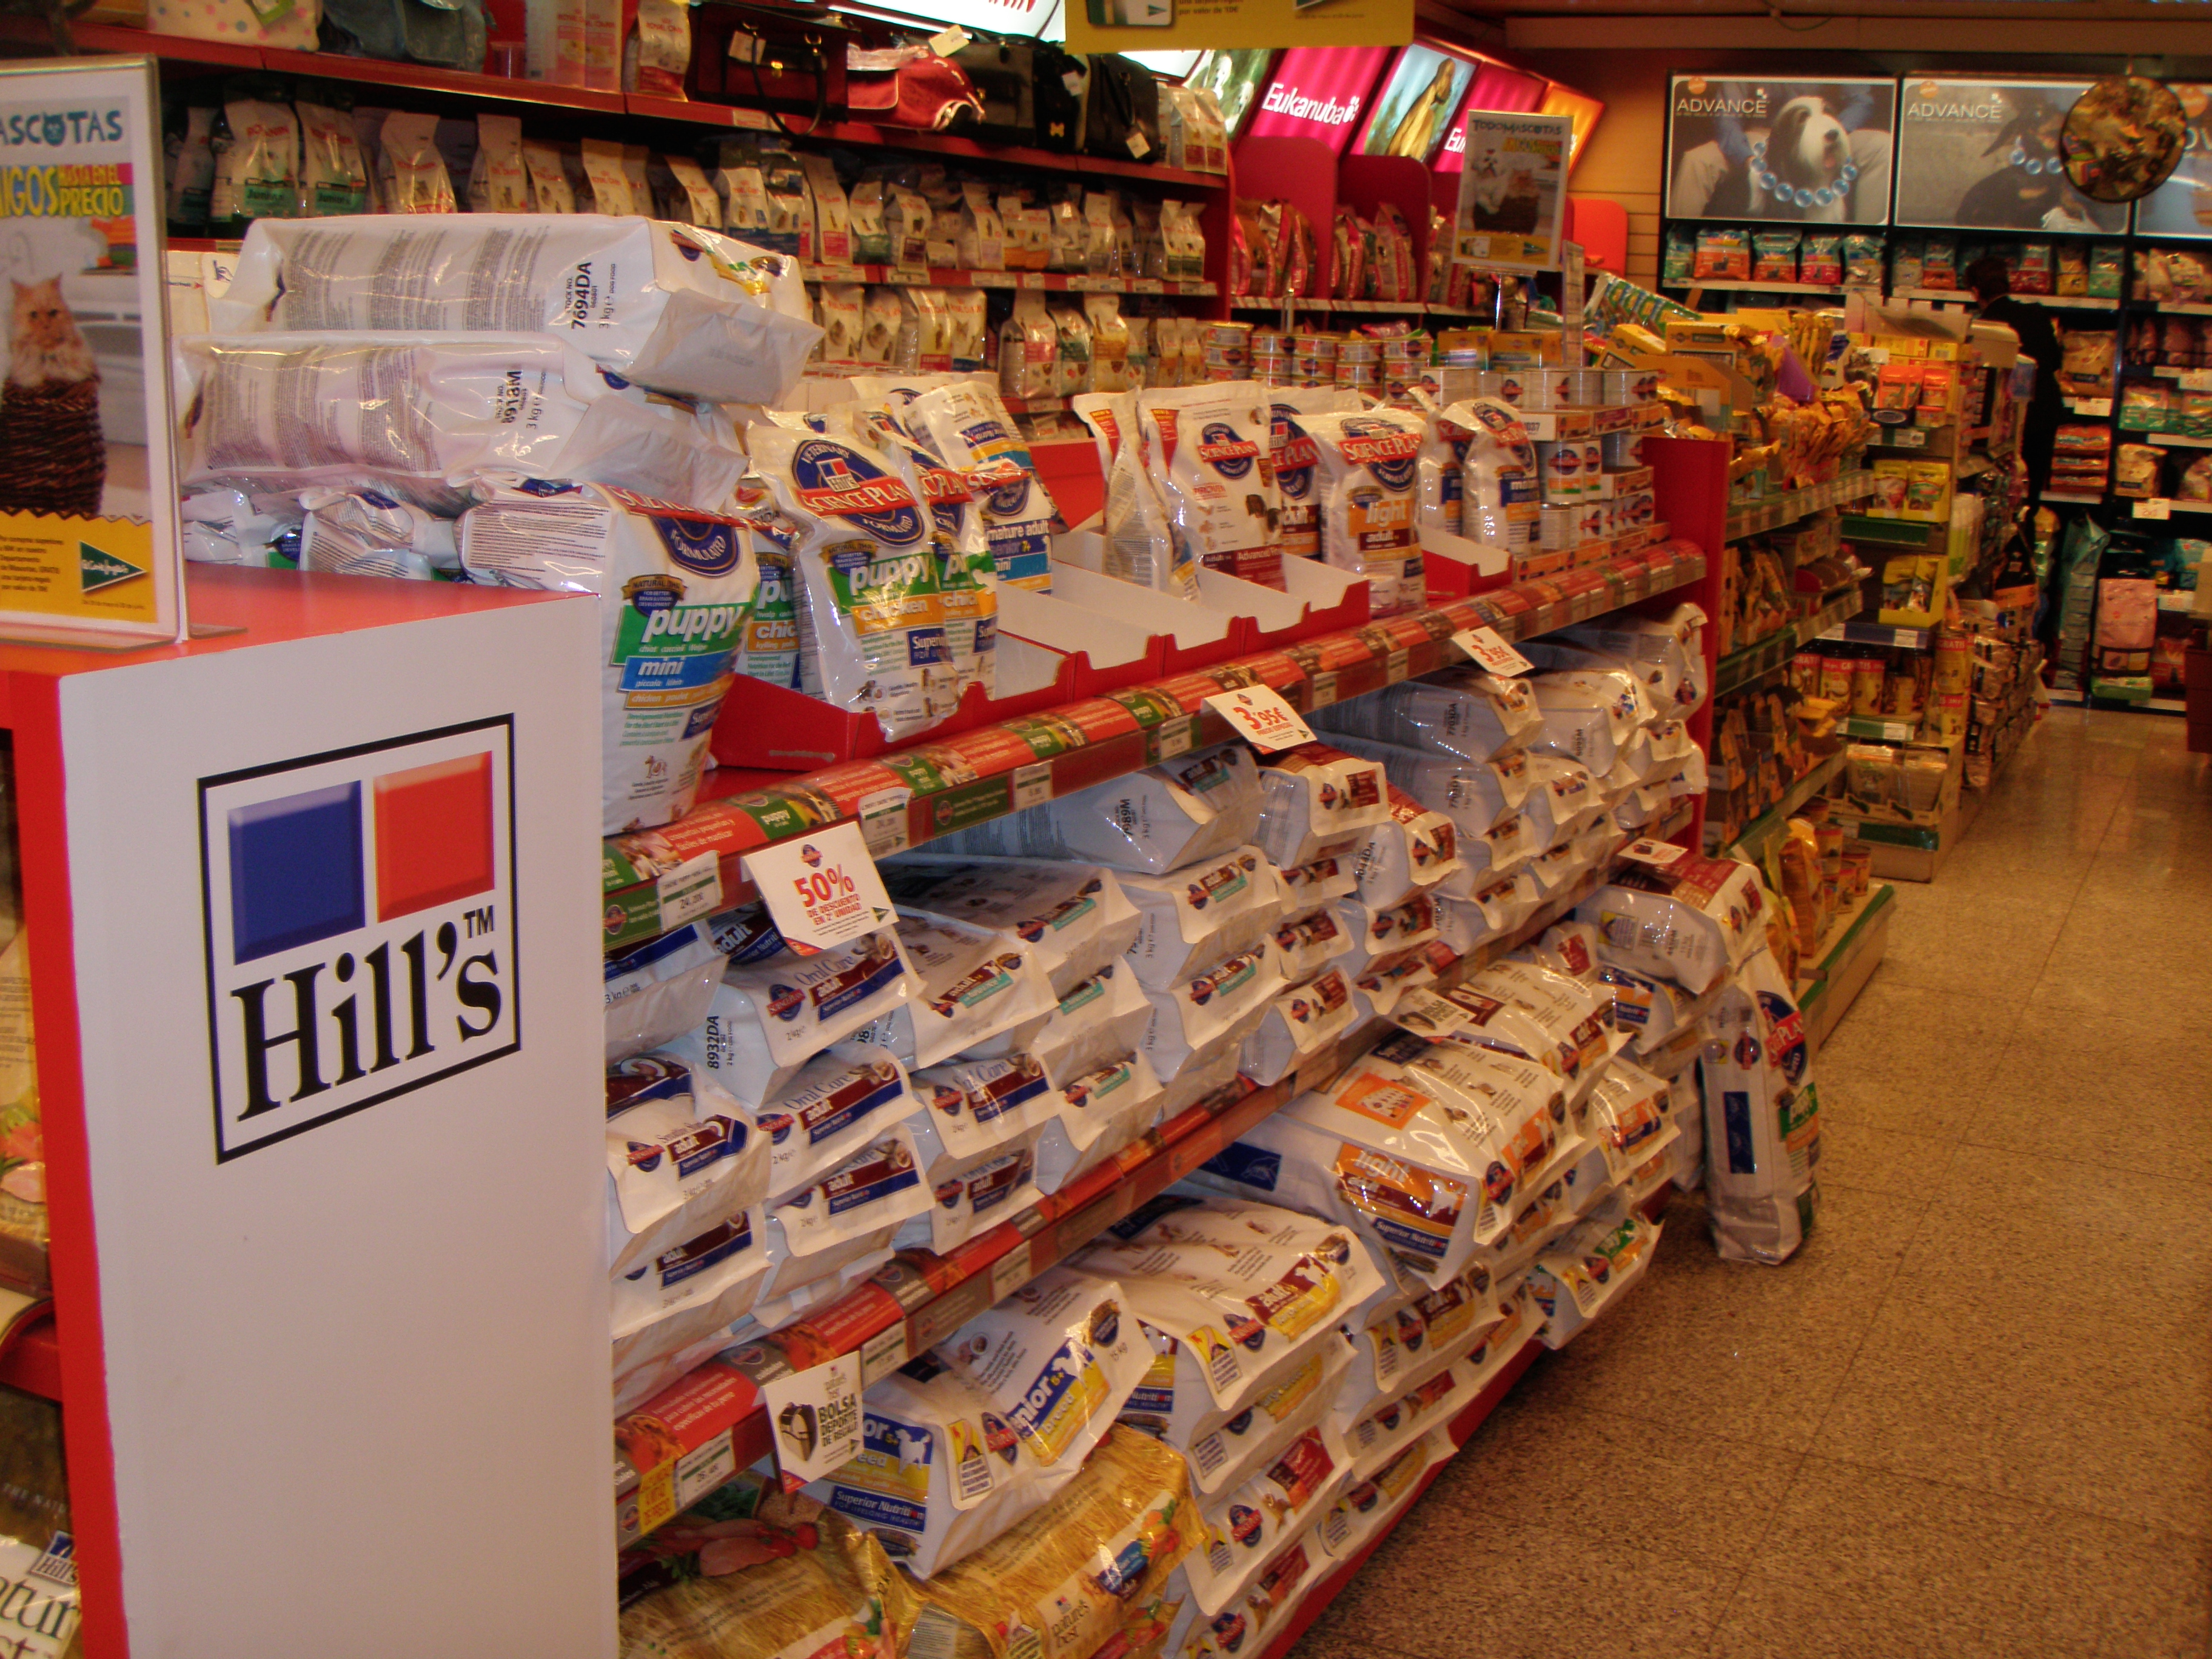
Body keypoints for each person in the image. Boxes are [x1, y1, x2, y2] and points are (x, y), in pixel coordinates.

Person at [1967, 253, 2064, 507]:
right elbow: (2055, 362)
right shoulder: (2037, 314)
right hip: (2042, 413)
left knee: (2000, 490)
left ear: (1976, 292)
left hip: (2001, 423)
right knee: (2031, 488)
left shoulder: (1983, 328)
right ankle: (2028, 522)